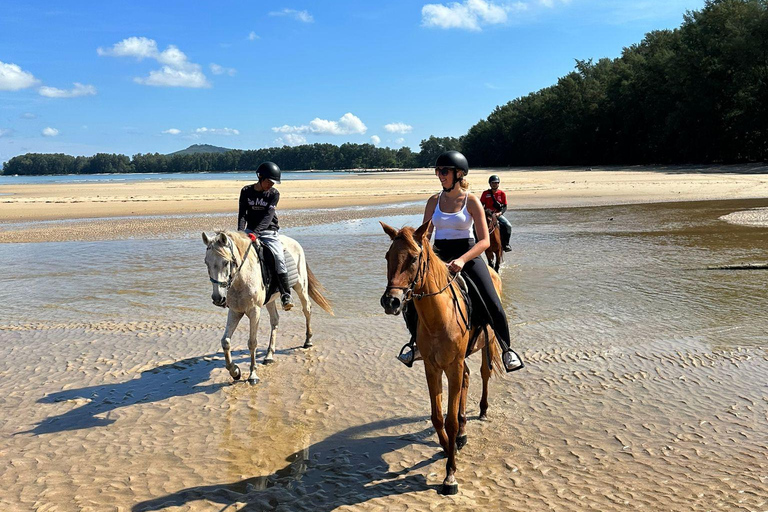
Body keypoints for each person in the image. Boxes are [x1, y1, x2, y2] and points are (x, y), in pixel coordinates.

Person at [397, 150, 524, 372]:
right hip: (437, 255)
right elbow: (425, 236)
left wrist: (463, 260)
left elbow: (484, 241)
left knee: (491, 301)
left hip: (467, 253)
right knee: (411, 299)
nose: (440, 175)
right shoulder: (433, 201)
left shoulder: (471, 200)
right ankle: (416, 345)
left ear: (459, 174)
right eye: (438, 171)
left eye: (444, 171)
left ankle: (506, 349)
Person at [237, 161, 294, 310]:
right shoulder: (246, 191)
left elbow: (268, 217)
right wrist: (240, 233)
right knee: (235, 255)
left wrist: (256, 234)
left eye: (273, 182)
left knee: (279, 258)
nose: (271, 185)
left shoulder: (274, 194)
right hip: (249, 230)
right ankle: (229, 293)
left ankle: (285, 294)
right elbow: (242, 214)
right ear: (260, 177)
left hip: (269, 232)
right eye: (269, 181)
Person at [480, 175, 512, 252]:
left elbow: (505, 206)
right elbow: (481, 204)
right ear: (490, 184)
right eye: (493, 183)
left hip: (497, 214)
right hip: (487, 214)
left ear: (498, 184)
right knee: (474, 226)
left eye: (496, 183)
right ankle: (476, 243)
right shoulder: (485, 193)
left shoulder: (502, 194)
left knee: (508, 225)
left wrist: (500, 213)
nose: (494, 184)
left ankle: (506, 244)